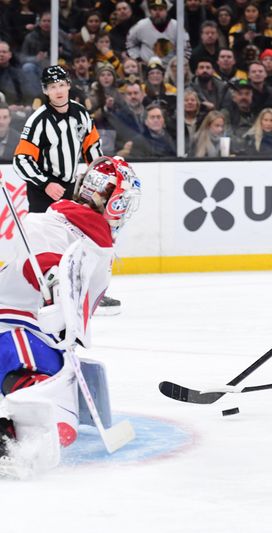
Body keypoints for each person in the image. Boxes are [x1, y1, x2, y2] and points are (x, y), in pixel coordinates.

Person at [0, 156, 141, 477]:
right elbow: (40, 261)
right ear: (111, 199)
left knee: (63, 423)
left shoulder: (85, 232)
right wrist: (52, 280)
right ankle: (7, 436)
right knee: (50, 422)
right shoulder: (54, 224)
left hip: (30, 331)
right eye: (123, 201)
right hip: (12, 327)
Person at [13, 66, 122, 315]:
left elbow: (92, 148)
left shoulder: (81, 114)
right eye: (52, 87)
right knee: (47, 244)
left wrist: (100, 178)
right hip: (43, 190)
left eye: (61, 85)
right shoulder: (38, 120)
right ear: (45, 91)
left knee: (83, 239)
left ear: (69, 85)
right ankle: (46, 295)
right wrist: (45, 183)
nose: (58, 90)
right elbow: (21, 160)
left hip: (71, 188)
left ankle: (90, 291)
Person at [125, 0, 189, 63]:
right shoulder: (140, 25)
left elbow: (186, 49)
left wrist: (178, 64)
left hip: (170, 69)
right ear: (150, 11)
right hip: (147, 67)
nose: (157, 12)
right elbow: (129, 44)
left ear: (166, 11)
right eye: (154, 9)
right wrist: (138, 59)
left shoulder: (177, 26)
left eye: (161, 9)